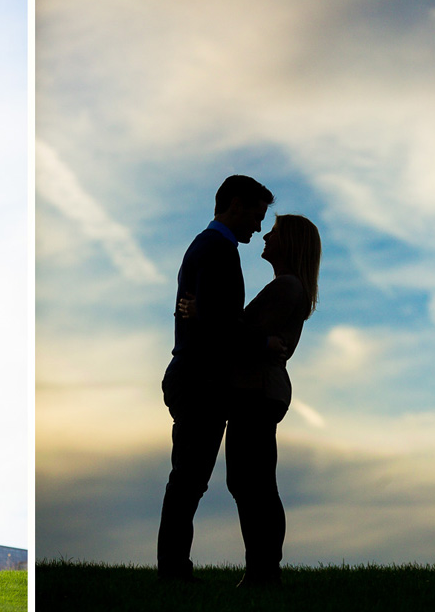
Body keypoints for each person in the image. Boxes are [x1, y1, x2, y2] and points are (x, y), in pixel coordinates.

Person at [179, 214, 321, 586]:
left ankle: (263, 572)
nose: (264, 236)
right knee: (249, 483)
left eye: (273, 232)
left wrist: (203, 312)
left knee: (253, 484)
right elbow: (244, 332)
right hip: (256, 391)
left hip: (257, 392)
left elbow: (242, 332)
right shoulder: (286, 286)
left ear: (289, 243)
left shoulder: (287, 287)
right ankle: (261, 570)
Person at [157, 175, 279, 583]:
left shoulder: (209, 246)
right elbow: (218, 321)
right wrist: (264, 342)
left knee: (188, 481)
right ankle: (174, 572)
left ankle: (175, 570)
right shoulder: (218, 249)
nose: (258, 227)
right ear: (236, 205)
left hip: (195, 377)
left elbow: (209, 313)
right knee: (188, 482)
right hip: (199, 380)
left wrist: (205, 313)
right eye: (256, 216)